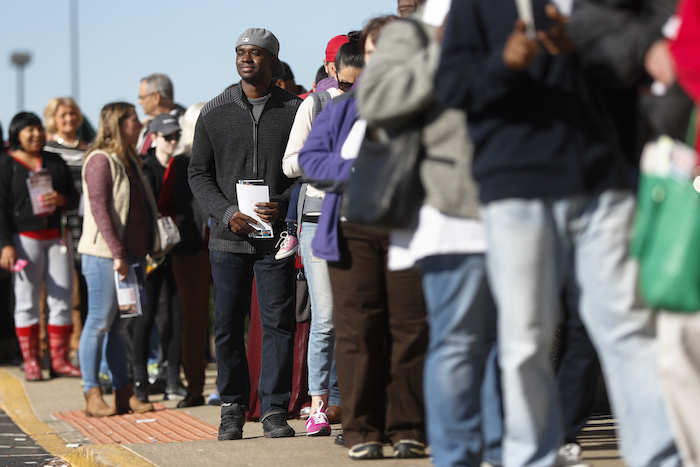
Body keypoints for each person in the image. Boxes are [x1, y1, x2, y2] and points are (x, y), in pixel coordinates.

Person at [435, 1, 681, 466]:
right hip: (516, 186)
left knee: (626, 327)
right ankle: (531, 457)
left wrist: (591, 56)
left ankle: (658, 457)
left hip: (603, 183)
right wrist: (505, 63)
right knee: (526, 335)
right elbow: (452, 86)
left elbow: (640, 73)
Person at [357, 4, 503, 465]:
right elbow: (375, 101)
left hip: (524, 197)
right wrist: (445, 49)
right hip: (452, 209)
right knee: (458, 341)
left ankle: (505, 452)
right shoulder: (414, 34)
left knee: (517, 346)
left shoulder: (520, 15)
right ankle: (458, 455)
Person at [300, 15, 429, 461]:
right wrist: (353, 170)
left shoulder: (431, 106)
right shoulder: (338, 111)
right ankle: (362, 431)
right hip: (351, 233)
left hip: (412, 232)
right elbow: (311, 160)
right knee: (357, 332)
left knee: (409, 331)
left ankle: (409, 428)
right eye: (372, 53)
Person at [188, 27, 301, 441]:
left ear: (272, 60)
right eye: (240, 52)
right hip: (227, 239)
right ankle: (232, 408)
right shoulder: (214, 111)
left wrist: (285, 201)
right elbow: (197, 173)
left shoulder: (296, 110)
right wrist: (226, 213)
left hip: (276, 241)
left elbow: (308, 171)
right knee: (228, 325)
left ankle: (273, 410)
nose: (246, 58)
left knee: (278, 325)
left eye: (255, 53)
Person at [282, 37, 364, 437]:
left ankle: (348, 401)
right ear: (333, 73)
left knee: (360, 316)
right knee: (327, 316)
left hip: (365, 220)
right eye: (347, 84)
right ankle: (317, 404)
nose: (353, 93)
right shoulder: (316, 105)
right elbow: (290, 164)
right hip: (320, 219)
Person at [77, 102, 156, 417]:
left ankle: (124, 393)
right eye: (134, 119)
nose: (139, 123)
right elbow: (99, 210)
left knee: (120, 328)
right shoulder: (100, 160)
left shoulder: (130, 160)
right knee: (98, 323)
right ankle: (91, 393)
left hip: (132, 256)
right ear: (118, 124)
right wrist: (118, 253)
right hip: (105, 257)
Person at [0, 112, 80, 381]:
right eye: (28, 130)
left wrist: (61, 199)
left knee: (62, 298)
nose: (35, 134)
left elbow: (74, 198)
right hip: (23, 241)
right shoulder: (6, 164)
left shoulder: (54, 161)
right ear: (17, 134)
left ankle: (59, 360)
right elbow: (0, 209)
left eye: (38, 129)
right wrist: (5, 245)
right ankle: (31, 360)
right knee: (27, 301)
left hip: (57, 238)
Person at [158, 102, 212, 408]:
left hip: (226, 244)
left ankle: (238, 389)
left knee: (233, 318)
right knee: (193, 320)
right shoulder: (179, 163)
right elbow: (164, 204)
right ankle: (194, 388)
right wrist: (179, 222)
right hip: (190, 249)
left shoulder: (224, 155)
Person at [131, 112, 186, 403]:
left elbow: (189, 204)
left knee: (176, 317)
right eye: (167, 136)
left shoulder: (182, 165)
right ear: (153, 137)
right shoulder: (144, 167)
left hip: (176, 248)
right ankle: (140, 379)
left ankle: (172, 378)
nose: (173, 141)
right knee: (145, 315)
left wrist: (179, 221)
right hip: (150, 250)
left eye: (176, 135)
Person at [43, 96, 89, 369]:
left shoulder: (89, 148)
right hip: (59, 224)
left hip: (86, 224)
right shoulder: (47, 150)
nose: (69, 119)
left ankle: (81, 348)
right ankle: (59, 351)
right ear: (53, 119)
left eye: (72, 113)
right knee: (60, 290)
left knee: (84, 287)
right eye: (63, 115)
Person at [136, 73, 186, 156]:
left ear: (156, 97)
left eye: (142, 97)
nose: (139, 102)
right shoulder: (146, 126)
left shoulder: (186, 123)